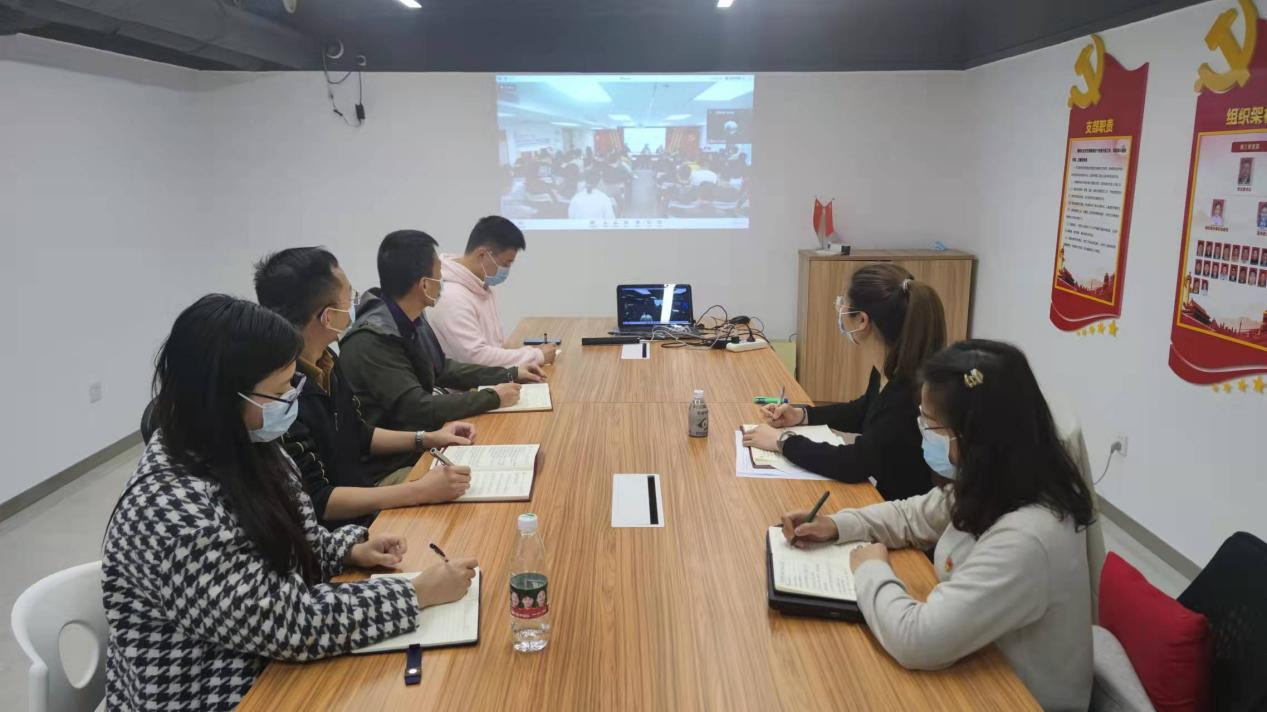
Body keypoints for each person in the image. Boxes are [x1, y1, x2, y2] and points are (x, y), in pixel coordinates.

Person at [102, 294, 478, 710]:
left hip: (267, 663)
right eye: (280, 390)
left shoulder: (247, 442)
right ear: (223, 397)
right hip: (216, 691)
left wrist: (345, 549)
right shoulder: (174, 515)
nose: (290, 401)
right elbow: (289, 624)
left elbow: (285, 534)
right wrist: (415, 594)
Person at [780, 339, 1095, 711]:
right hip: (977, 663)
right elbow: (911, 516)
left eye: (930, 424)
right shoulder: (1000, 481)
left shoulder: (1029, 537)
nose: (923, 432)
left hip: (1013, 696)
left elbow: (916, 639)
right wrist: (837, 525)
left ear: (974, 436)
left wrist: (872, 569)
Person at [254, 247, 481, 527]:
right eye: (349, 295)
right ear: (328, 316)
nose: (355, 301)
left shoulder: (327, 359)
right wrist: (419, 491)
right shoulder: (279, 397)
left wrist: (430, 437)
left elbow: (360, 433)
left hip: (367, 499)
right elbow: (318, 501)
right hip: (343, 528)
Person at [743, 264, 947, 501]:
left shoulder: (905, 391)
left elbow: (854, 463)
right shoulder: (889, 366)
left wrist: (783, 442)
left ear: (861, 320)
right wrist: (802, 415)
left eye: (843, 302)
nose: (839, 308)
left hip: (899, 508)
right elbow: (865, 410)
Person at [340, 230, 544, 434]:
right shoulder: (373, 340)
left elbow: (442, 369)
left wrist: (510, 373)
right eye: (440, 276)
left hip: (422, 434)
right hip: (400, 448)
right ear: (424, 285)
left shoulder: (412, 316)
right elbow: (417, 408)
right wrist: (493, 397)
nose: (442, 282)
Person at [429, 216, 557, 368]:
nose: (506, 270)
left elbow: (494, 347)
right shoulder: (451, 297)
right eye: (505, 264)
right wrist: (537, 356)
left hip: (489, 376)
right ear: (482, 255)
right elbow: (477, 358)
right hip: (469, 381)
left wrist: (527, 355)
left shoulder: (480, 285)